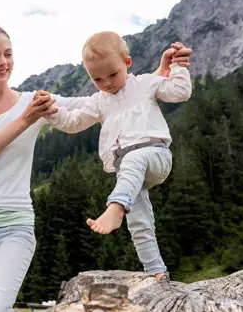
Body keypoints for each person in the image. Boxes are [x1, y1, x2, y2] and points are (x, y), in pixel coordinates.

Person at [0, 24, 192, 312]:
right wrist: (35, 115)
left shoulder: (31, 100)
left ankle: (116, 207)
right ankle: (156, 269)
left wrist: (166, 71)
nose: (3, 62)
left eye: (8, 54)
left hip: (14, 226)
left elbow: (121, 93)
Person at [42, 31, 192, 282]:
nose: (107, 83)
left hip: (155, 156)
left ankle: (116, 206)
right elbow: (72, 122)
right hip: (128, 173)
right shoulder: (99, 102)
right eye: (97, 79)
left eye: (112, 74)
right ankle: (156, 272)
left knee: (134, 161)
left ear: (127, 63)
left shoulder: (145, 83)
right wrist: (49, 111)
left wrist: (178, 66)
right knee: (140, 223)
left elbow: (180, 92)